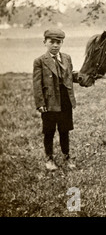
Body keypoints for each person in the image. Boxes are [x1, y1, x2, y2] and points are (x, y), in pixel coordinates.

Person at [33, 29, 78, 171]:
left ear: (62, 43)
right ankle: (49, 158)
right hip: (49, 102)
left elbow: (70, 75)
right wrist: (40, 103)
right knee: (49, 131)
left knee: (64, 130)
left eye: (58, 42)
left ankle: (66, 156)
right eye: (51, 42)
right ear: (44, 43)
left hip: (65, 100)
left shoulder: (66, 58)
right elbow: (37, 84)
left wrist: (84, 77)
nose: (55, 45)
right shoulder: (40, 61)